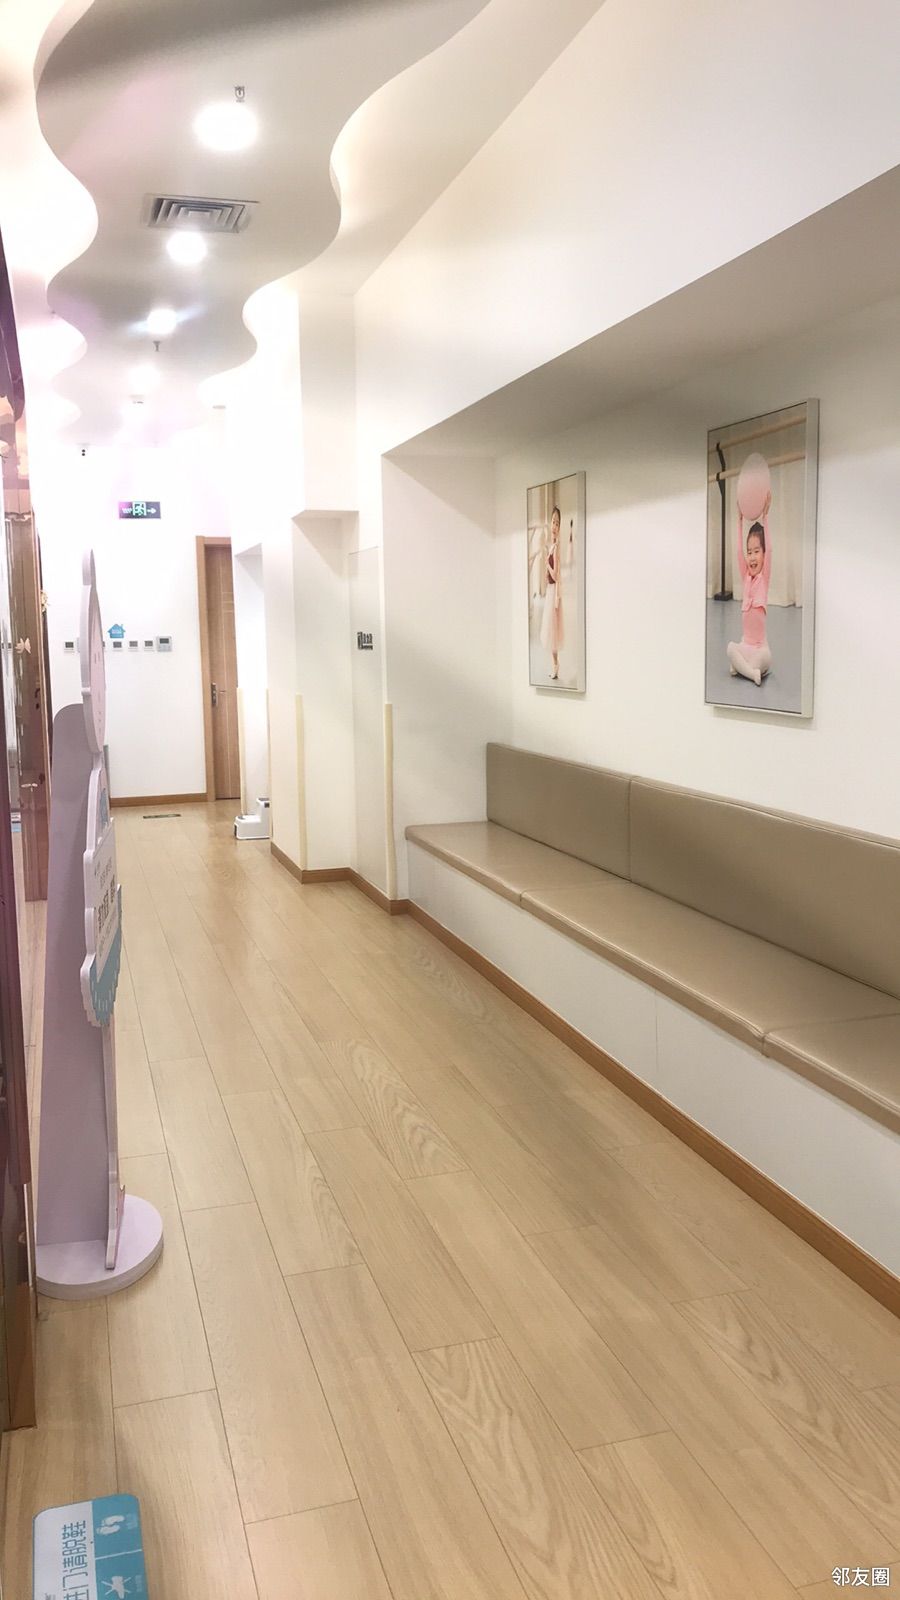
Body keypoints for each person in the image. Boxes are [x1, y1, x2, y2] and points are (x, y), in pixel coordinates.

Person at [727, 491, 772, 686]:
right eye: (750, 552)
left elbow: (770, 549)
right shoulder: (746, 577)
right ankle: (751, 673)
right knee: (730, 648)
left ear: (764, 555)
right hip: (746, 646)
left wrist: (765, 516)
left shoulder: (764, 578)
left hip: (760, 649)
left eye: (757, 551)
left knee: (764, 658)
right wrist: (739, 520)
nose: (752, 557)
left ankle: (742, 669)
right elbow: (738, 551)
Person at [540, 505, 564, 679]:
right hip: (550, 591)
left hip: (553, 592)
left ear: (560, 527)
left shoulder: (556, 547)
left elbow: (555, 575)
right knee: (551, 632)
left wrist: (546, 565)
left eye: (557, 523)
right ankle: (555, 665)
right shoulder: (552, 546)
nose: (554, 526)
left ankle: (556, 666)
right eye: (553, 522)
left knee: (552, 632)